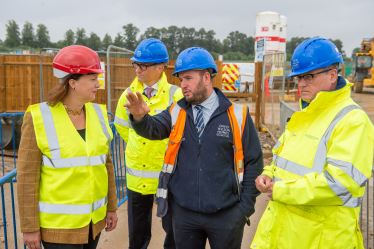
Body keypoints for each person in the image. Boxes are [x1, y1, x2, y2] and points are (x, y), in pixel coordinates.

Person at [122, 47, 263, 249]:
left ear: (206, 77)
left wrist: (244, 209)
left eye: (188, 78)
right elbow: (152, 129)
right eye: (181, 79)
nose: (183, 85)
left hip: (227, 215)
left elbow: (254, 162)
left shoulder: (237, 116)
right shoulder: (176, 111)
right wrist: (139, 117)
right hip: (184, 216)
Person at [252, 38, 374, 249]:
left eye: (308, 77)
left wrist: (282, 190)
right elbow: (283, 159)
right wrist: (268, 173)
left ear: (332, 74)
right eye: (299, 78)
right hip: (287, 231)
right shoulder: (306, 114)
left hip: (321, 238)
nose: (300, 84)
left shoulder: (352, 121)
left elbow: (341, 184)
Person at [17, 45, 118, 249]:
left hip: (93, 223)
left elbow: (106, 165)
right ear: (72, 82)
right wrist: (29, 227)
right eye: (92, 79)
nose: (98, 84)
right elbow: (27, 177)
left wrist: (112, 208)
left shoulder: (99, 114)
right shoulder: (39, 117)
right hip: (57, 229)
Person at [114, 38, 183, 249]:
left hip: (168, 174)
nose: (138, 69)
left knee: (173, 229)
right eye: (136, 64)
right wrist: (139, 147)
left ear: (160, 67)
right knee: (137, 232)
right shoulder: (128, 95)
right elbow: (123, 128)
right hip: (137, 174)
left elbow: (181, 133)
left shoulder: (176, 95)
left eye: (143, 65)